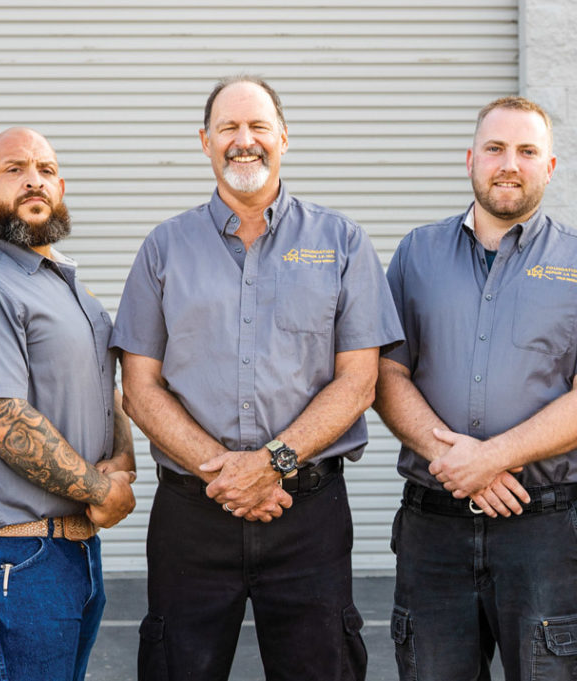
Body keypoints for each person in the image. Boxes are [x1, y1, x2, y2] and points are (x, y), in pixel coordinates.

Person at [112, 75, 402, 681]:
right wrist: (226, 472)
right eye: (229, 128)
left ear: (284, 138)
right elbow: (140, 387)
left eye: (259, 126)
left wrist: (270, 464)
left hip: (307, 514)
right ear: (205, 141)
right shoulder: (164, 248)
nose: (245, 141)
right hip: (192, 514)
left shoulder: (342, 242)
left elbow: (359, 382)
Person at [374, 95, 577, 680]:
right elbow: (386, 375)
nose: (508, 163)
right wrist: (457, 460)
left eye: (526, 151)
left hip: (546, 532)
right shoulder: (416, 255)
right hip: (433, 529)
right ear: (470, 158)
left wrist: (491, 459)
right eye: (495, 148)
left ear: (549, 166)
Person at [0, 127, 137, 681]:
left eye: (45, 169)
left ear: (60, 186)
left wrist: (123, 459)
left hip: (71, 549)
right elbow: (1, 419)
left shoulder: (67, 286)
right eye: (14, 169)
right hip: (10, 558)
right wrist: (102, 491)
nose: (33, 179)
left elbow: (98, 383)